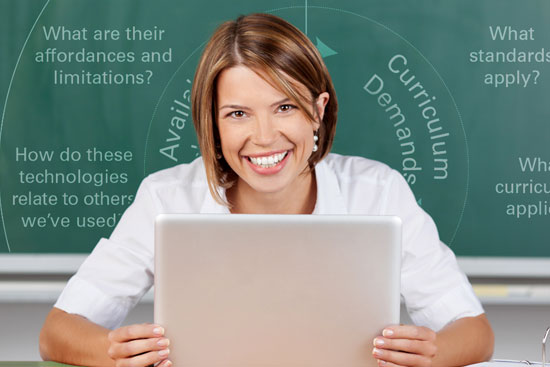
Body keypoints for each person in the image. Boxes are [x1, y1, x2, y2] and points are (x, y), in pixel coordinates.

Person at [40, 13, 494, 367]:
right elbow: (57, 332)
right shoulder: (165, 197)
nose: (263, 136)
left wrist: (432, 352)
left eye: (284, 107)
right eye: (237, 114)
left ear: (317, 111)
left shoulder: (378, 192)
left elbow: (474, 333)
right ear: (212, 123)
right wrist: (112, 352)